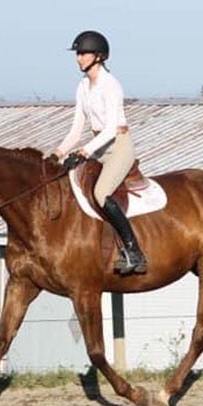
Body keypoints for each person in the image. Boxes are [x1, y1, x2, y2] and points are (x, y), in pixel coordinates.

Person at [52, 30, 148, 275]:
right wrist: (58, 153)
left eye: (83, 53)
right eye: (78, 54)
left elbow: (110, 130)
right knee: (71, 185)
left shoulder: (111, 85)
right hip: (97, 147)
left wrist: (84, 152)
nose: (78, 58)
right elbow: (76, 129)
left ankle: (134, 252)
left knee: (101, 192)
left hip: (118, 147)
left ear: (99, 56)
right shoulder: (83, 87)